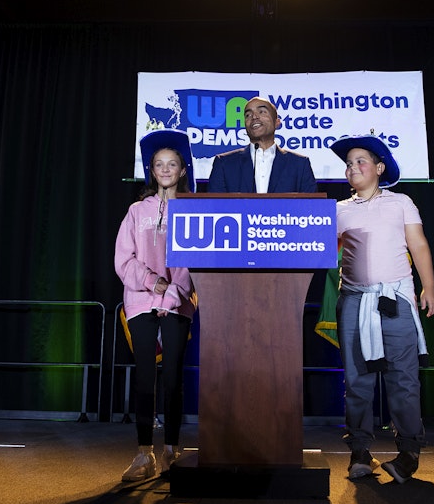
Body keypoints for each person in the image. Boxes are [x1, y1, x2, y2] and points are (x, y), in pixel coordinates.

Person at [329, 133, 434, 484]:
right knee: (357, 380)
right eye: (348, 163)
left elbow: (418, 244)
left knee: (403, 379)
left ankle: (408, 453)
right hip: (353, 301)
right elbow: (321, 251)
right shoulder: (338, 210)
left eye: (360, 161)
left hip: (395, 299)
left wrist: (429, 287)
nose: (352, 167)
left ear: (379, 167)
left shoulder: (401, 202)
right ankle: (360, 451)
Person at [114, 128, 198, 482]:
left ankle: (172, 450)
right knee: (145, 377)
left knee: (174, 379)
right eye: (159, 164)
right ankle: (143, 453)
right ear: (153, 170)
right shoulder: (137, 211)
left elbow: (193, 261)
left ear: (182, 170)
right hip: (140, 303)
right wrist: (154, 284)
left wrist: (171, 294)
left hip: (177, 303)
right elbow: (123, 259)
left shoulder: (194, 210)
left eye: (172, 164)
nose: (165, 169)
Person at [207, 96, 317, 193]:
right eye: (248, 115)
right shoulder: (224, 163)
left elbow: (312, 208)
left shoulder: (299, 164)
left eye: (262, 112)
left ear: (276, 122)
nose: (254, 117)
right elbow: (213, 208)